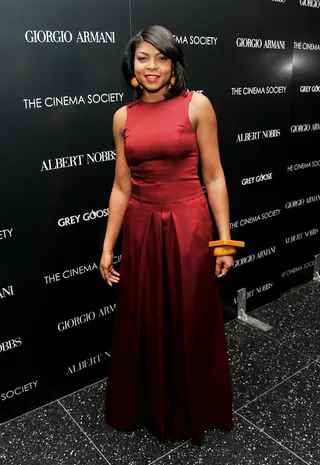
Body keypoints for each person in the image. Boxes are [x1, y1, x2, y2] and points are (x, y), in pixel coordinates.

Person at [99, 25, 234, 446]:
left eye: (161, 58)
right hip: (141, 227)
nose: (152, 66)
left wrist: (224, 241)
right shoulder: (123, 117)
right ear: (132, 67)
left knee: (190, 315)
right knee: (144, 317)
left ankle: (194, 406)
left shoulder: (198, 106)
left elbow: (213, 177)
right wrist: (108, 246)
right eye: (143, 58)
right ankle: (147, 405)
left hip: (189, 224)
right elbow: (122, 186)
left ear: (173, 64)